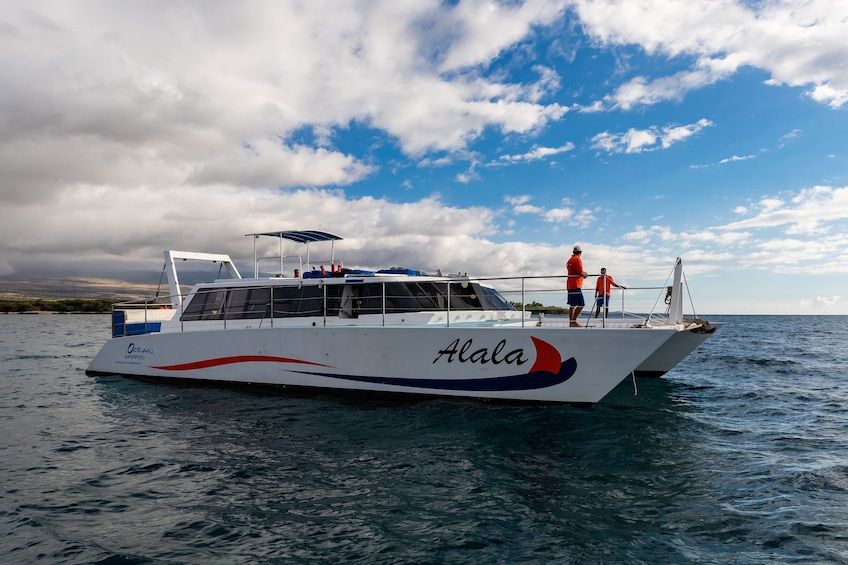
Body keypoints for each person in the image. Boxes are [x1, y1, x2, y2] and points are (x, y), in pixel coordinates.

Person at [566, 245, 588, 327]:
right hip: (576, 284)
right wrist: (585, 274)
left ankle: (571, 322)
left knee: (572, 305)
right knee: (581, 304)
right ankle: (573, 321)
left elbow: (574, 271)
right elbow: (580, 272)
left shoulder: (570, 260)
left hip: (570, 284)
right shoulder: (577, 259)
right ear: (580, 252)